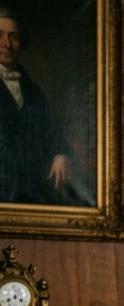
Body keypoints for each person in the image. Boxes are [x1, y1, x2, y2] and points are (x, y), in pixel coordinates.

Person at [0, 7, 71, 204]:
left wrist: (60, 154)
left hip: (32, 187)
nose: (6, 44)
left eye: (13, 37)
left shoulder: (34, 91)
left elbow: (52, 130)